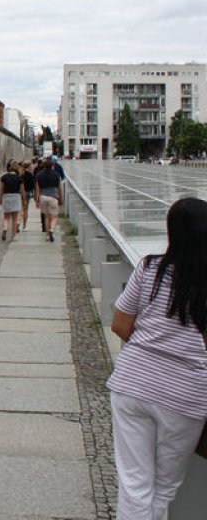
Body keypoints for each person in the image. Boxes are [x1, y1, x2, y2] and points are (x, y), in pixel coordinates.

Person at [107, 197, 207, 519]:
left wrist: (150, 351)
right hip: (186, 394)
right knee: (163, 488)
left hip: (132, 382)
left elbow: (121, 324)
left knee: (134, 484)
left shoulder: (151, 267)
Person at [34, 158, 63, 242]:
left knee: (47, 217)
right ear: (52, 166)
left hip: (43, 197)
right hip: (53, 197)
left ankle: (47, 235)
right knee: (54, 217)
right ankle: (52, 230)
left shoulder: (39, 175)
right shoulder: (56, 175)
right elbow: (59, 188)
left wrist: (37, 200)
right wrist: (61, 198)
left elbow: (37, 189)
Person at [0, 161, 23, 241]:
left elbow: (2, 189)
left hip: (6, 196)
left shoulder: (4, 177)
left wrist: (0, 199)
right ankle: (13, 236)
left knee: (6, 217)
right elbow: (22, 190)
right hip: (16, 197)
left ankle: (5, 228)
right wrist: (23, 199)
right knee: (15, 219)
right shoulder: (19, 178)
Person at [20, 160, 36, 230]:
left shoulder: (21, 175)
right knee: (25, 210)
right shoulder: (31, 175)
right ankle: (24, 226)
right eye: (31, 166)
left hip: (20, 193)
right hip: (27, 193)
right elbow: (33, 186)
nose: (32, 167)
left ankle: (17, 222)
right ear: (28, 167)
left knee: (20, 209)